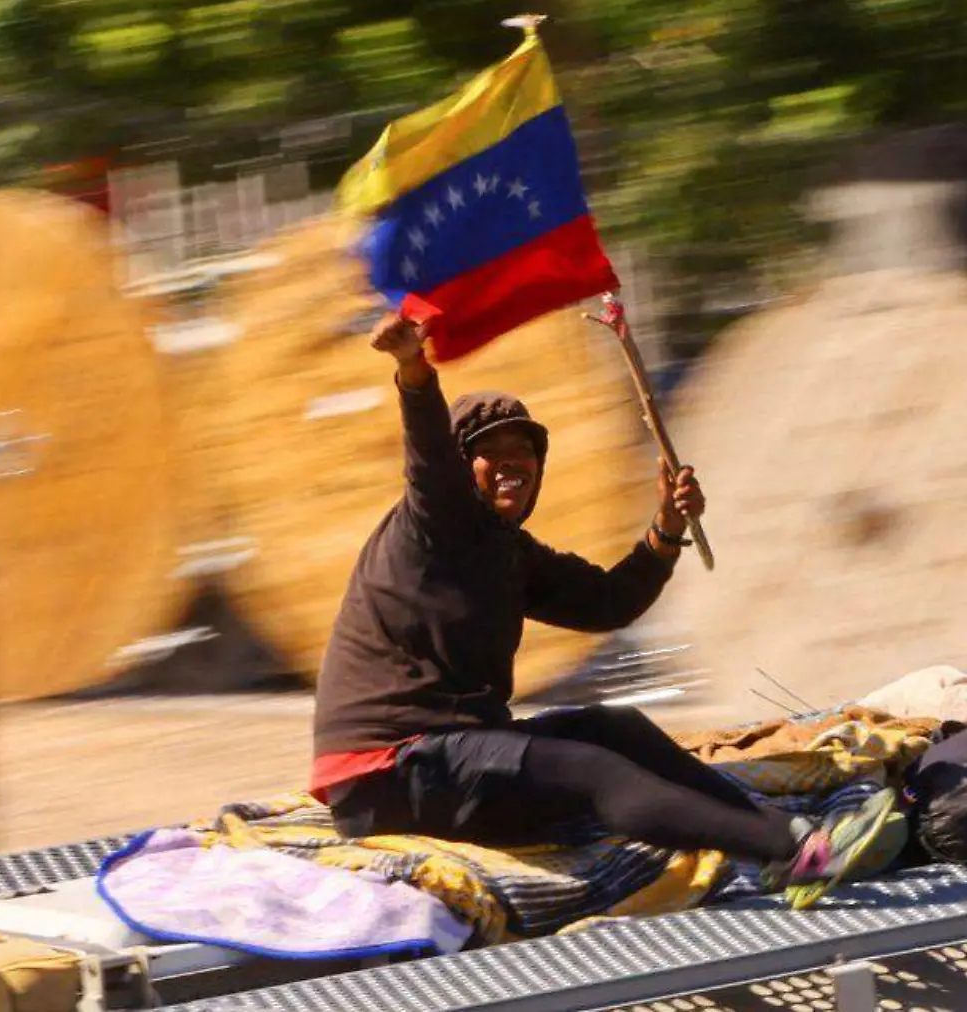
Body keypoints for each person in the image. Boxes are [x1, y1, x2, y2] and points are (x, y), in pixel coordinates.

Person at [309, 311, 905, 909]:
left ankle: (780, 832)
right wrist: (414, 370)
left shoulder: (508, 553)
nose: (513, 463)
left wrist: (666, 531)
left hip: (445, 755)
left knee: (612, 728)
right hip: (386, 775)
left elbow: (607, 603)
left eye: (525, 451)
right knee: (593, 771)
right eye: (490, 453)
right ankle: (793, 850)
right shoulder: (431, 524)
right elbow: (430, 453)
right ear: (462, 471)